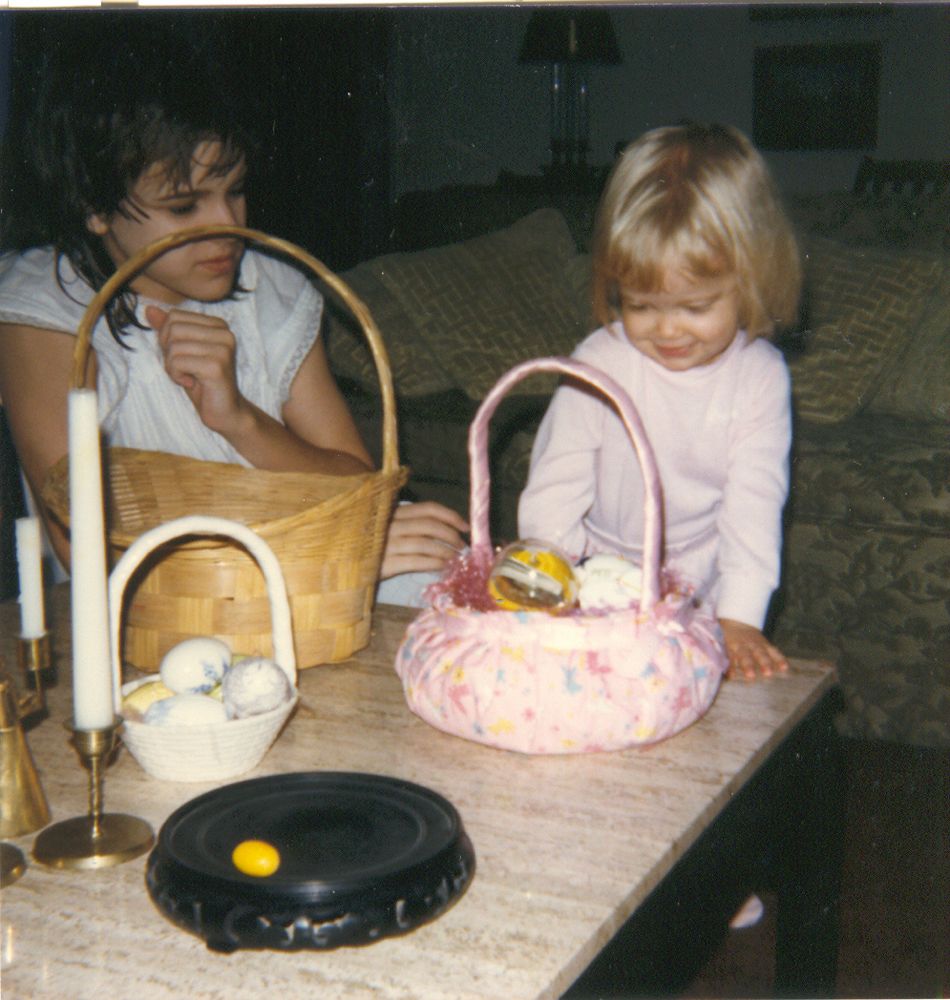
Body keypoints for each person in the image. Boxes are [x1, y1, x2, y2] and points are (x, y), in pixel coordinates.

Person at [0, 26, 466, 597]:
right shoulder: (46, 311)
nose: (227, 226)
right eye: (183, 205)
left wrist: (241, 419)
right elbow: (92, 552)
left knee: (456, 582)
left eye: (235, 189)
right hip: (150, 614)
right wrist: (332, 553)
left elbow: (358, 484)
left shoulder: (268, 287)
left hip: (288, 576)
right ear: (94, 208)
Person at [519, 122, 801, 681]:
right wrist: (551, 577)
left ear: (752, 282)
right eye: (641, 305)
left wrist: (740, 617)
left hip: (699, 584)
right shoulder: (601, 361)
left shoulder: (760, 377)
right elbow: (555, 485)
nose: (668, 329)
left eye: (695, 307)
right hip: (592, 570)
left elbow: (753, 508)